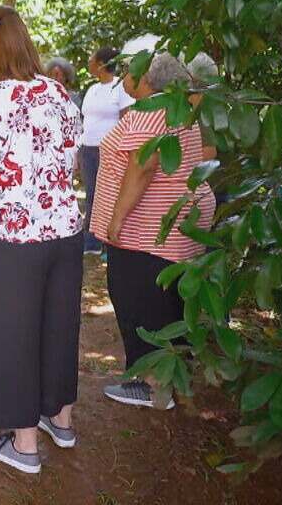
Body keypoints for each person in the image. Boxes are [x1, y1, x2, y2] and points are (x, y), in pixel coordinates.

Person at [0, 5, 83, 475]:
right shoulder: (57, 93)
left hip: (12, 236)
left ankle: (25, 447)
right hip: (65, 231)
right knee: (58, 323)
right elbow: (70, 162)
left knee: (14, 332)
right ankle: (62, 419)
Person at [89, 52, 216, 411]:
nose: (127, 75)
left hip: (146, 229)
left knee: (138, 300)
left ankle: (152, 385)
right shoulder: (178, 110)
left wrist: (116, 219)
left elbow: (143, 166)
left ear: (148, 81)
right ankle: (168, 377)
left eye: (133, 71)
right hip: (173, 226)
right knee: (166, 300)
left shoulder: (151, 112)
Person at [78, 47, 134, 255]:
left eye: (92, 59)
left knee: (109, 194)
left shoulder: (119, 87)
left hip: (109, 151)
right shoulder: (92, 89)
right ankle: (91, 241)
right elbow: (85, 120)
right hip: (88, 149)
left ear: (101, 64)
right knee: (92, 194)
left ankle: (107, 243)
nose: (89, 62)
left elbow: (126, 118)